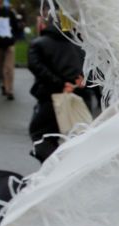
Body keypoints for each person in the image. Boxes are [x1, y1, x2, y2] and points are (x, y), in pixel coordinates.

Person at [27, 14, 88, 162]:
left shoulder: (39, 44)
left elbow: (37, 67)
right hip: (78, 97)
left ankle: (53, 168)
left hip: (51, 98)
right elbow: (88, 68)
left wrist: (60, 84)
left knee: (41, 134)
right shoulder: (77, 44)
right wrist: (82, 81)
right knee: (75, 136)